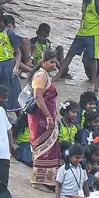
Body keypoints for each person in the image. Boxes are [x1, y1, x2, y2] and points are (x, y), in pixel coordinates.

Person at [58, 0, 99, 87]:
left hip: (93, 34)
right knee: (70, 53)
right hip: (81, 32)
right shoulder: (84, 2)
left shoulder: (97, 4)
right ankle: (58, 75)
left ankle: (93, 81)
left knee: (93, 58)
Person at [26, 52, 63, 187]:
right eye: (51, 62)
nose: (54, 65)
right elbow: (38, 97)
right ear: (43, 62)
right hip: (40, 118)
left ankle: (48, 180)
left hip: (46, 117)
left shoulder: (45, 75)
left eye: (55, 62)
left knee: (50, 148)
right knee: (42, 148)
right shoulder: (41, 76)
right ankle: (38, 181)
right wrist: (48, 116)